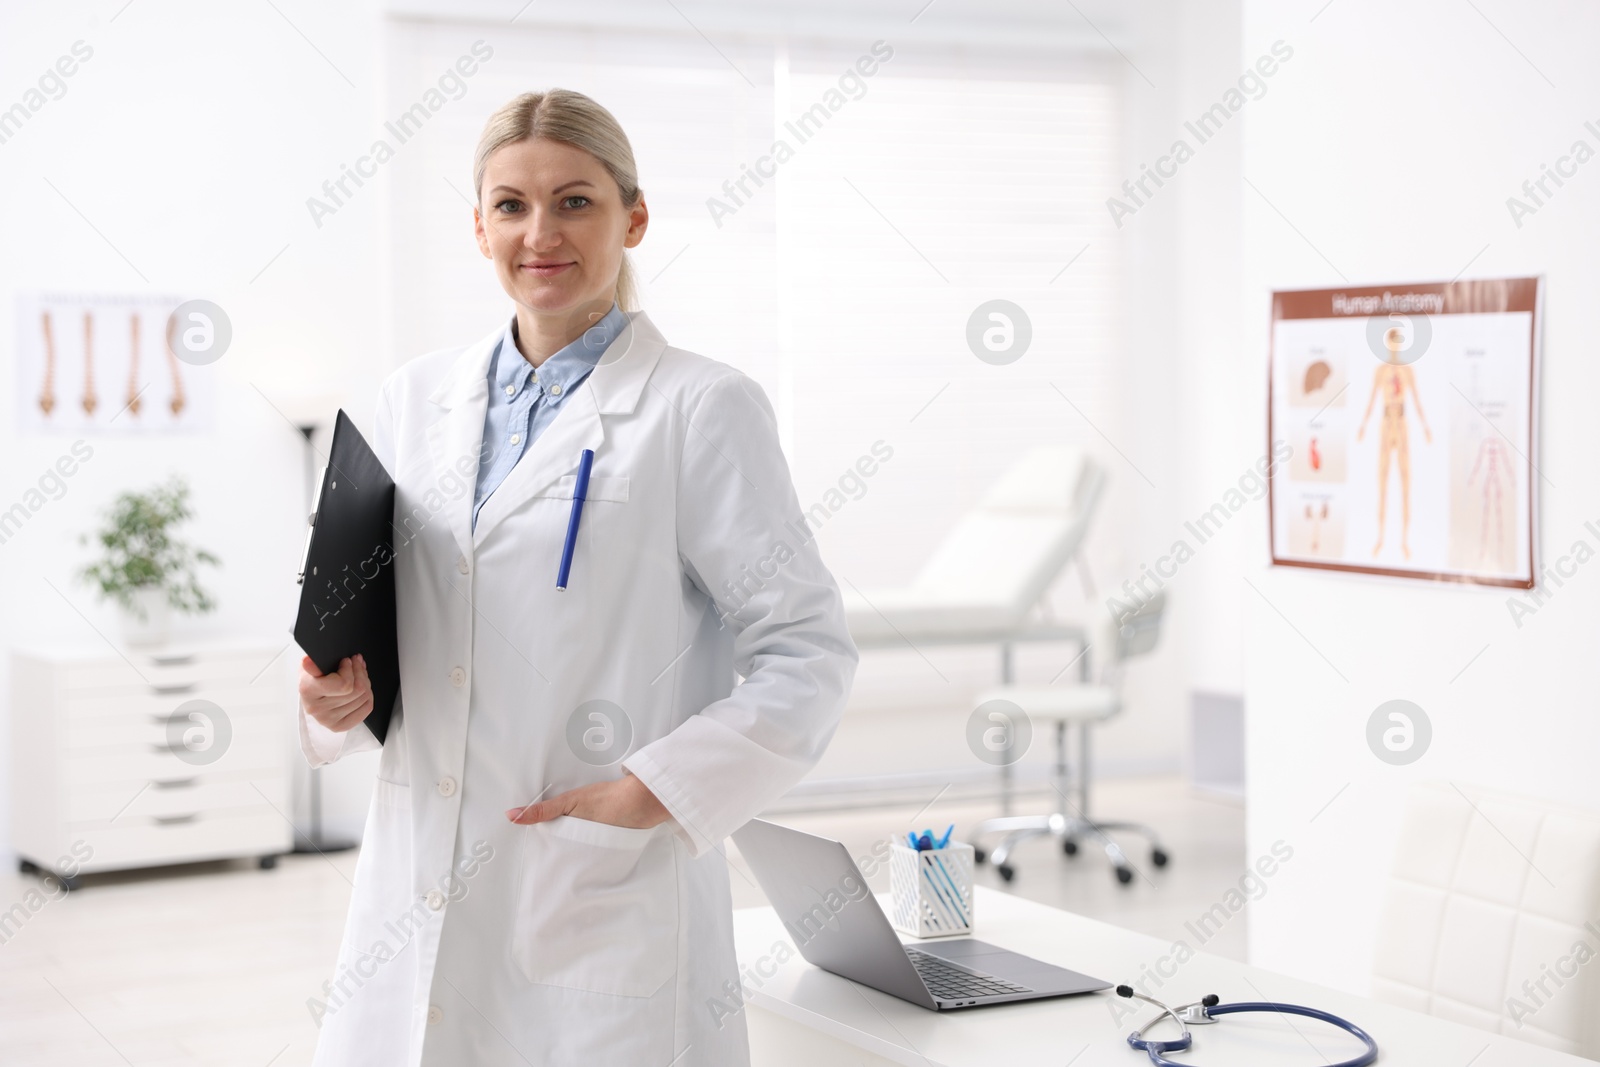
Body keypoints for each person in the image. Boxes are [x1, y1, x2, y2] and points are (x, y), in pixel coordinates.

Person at [296, 88, 857, 1066]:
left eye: (575, 202)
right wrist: (336, 689)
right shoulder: (414, 397)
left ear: (632, 218)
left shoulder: (700, 407)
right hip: (420, 861)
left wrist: (657, 790)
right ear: (478, 227)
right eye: (510, 205)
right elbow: (387, 616)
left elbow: (806, 652)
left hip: (595, 870)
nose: (539, 232)